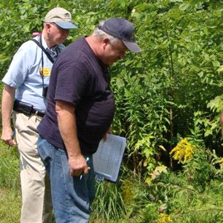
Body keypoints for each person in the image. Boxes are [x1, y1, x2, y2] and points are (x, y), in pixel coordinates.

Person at [37, 17, 141, 222]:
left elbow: (93, 95)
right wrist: (74, 156)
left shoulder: (96, 58)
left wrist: (102, 124)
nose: (123, 55)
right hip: (63, 149)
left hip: (79, 146)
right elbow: (63, 109)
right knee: (72, 213)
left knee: (83, 200)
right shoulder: (77, 62)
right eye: (121, 50)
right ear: (105, 42)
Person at [1, 7, 77, 223]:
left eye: (68, 31)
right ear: (47, 27)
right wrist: (6, 127)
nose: (65, 35)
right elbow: (9, 88)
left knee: (51, 176)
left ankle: (46, 219)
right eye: (61, 30)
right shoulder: (29, 50)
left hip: (53, 123)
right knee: (35, 177)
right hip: (29, 120)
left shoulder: (62, 52)